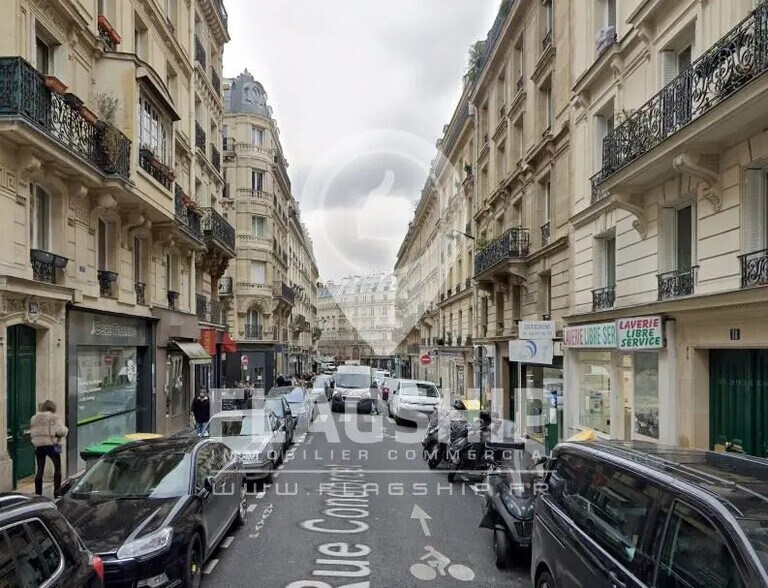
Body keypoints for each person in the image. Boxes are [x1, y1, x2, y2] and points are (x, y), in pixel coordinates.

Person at [30, 400, 68, 497]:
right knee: (57, 468)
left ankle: (38, 493)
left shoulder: (34, 418)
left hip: (39, 447)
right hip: (52, 446)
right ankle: (57, 492)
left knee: (40, 470)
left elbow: (33, 433)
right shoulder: (54, 417)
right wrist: (65, 430)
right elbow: (61, 431)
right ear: (52, 408)